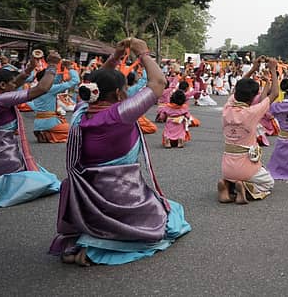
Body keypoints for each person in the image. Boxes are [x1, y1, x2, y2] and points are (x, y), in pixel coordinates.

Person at [50, 38, 190, 266]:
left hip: (86, 199)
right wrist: (143, 52)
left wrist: (116, 57)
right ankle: (95, 250)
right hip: (121, 198)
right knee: (171, 216)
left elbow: (97, 81)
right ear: (118, 93)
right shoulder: (121, 114)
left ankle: (89, 240)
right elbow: (159, 82)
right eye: (125, 89)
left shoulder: (81, 110)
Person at [0, 54, 63, 209]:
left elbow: (13, 86)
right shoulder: (0, 100)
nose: (17, 85)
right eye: (13, 83)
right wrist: (52, 65)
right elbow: (41, 88)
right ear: (2, 86)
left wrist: (29, 69)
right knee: (47, 180)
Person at [220, 57, 278, 204]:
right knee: (268, 183)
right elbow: (274, 94)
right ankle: (245, 188)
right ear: (253, 98)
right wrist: (273, 69)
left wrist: (252, 69)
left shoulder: (227, 109)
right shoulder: (252, 112)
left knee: (234, 175)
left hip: (226, 167)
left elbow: (235, 90)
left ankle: (227, 186)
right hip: (246, 167)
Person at [30, 61, 80, 143]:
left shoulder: (36, 87)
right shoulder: (51, 89)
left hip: (38, 124)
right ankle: (48, 134)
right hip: (50, 123)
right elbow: (75, 81)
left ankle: (47, 134)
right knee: (76, 131)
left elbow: (55, 81)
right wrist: (70, 68)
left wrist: (61, 69)